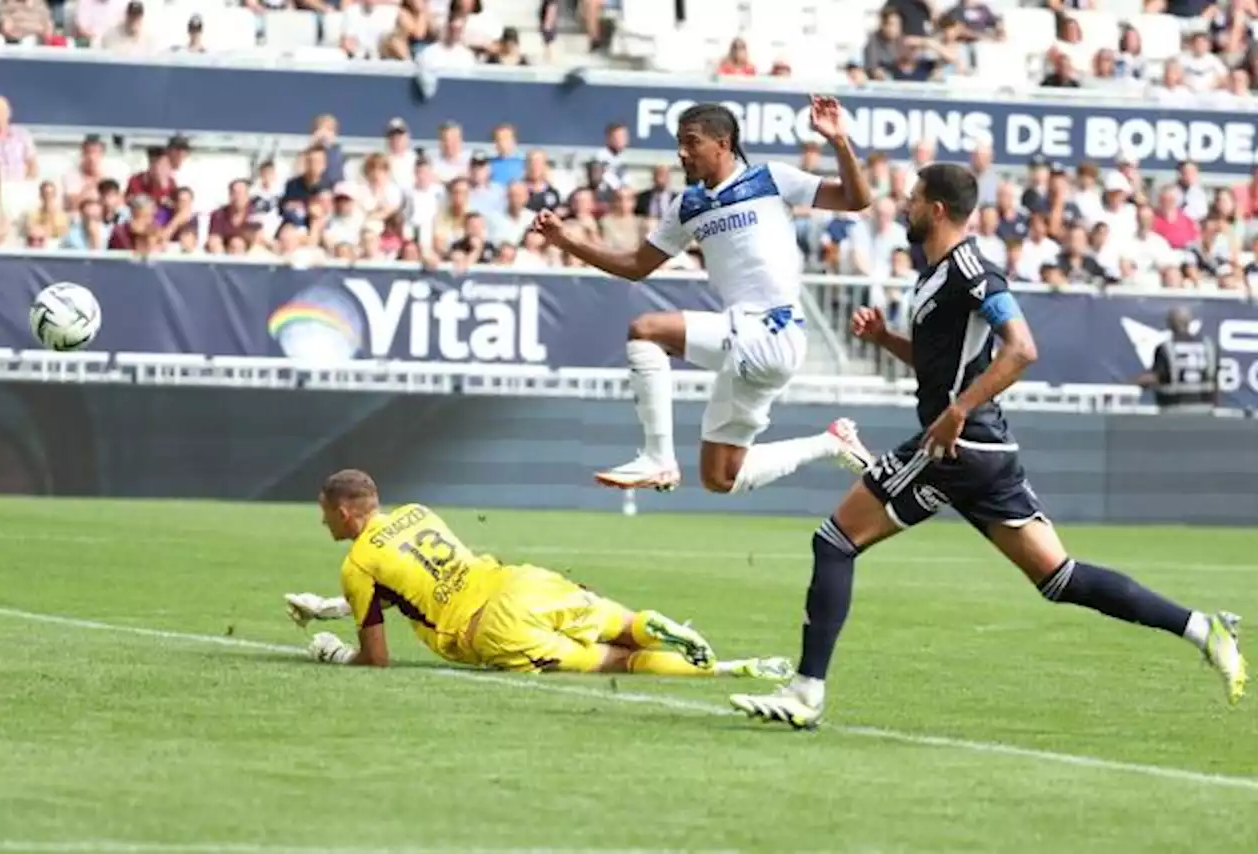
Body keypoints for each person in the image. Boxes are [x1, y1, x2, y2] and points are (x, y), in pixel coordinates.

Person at [729, 164, 1248, 730]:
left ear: (939, 210)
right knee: (1059, 577)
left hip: (956, 448)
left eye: (913, 198)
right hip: (981, 452)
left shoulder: (971, 270)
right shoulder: (933, 275)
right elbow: (940, 369)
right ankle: (1202, 628)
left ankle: (807, 691)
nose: (905, 205)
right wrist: (884, 340)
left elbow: (1022, 348)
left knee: (835, 542)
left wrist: (957, 412)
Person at [531, 98, 873, 495]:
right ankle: (831, 442)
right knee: (721, 478)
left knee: (646, 330)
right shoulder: (687, 206)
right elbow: (635, 266)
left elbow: (856, 199)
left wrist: (839, 141)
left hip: (773, 328)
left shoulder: (771, 178)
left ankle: (658, 458)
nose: (682, 152)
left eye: (691, 142)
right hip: (751, 342)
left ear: (723, 144)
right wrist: (564, 240)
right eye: (679, 142)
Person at [285, 469, 794, 679]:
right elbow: (411, 578)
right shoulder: (417, 513)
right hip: (521, 581)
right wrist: (329, 604)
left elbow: (376, 659)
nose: (322, 519)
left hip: (488, 627)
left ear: (346, 514)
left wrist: (334, 651)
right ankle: (699, 646)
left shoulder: (357, 564)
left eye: (324, 511)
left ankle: (732, 670)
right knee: (622, 626)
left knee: (615, 663)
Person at [1136, 307, 1219, 414]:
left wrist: (1131, 384)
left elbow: (1156, 377)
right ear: (1189, 322)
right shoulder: (1209, 347)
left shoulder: (1166, 348)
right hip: (1205, 410)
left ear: (1169, 324)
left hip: (1174, 411)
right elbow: (1215, 382)